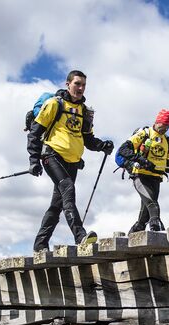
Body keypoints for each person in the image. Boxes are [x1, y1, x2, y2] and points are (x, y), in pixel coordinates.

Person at [27, 69, 114, 252]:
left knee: (57, 205)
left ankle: (40, 244)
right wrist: (34, 160)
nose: (80, 88)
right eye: (77, 84)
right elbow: (35, 133)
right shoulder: (54, 104)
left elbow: (88, 140)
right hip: (52, 155)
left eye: (83, 85)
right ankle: (80, 237)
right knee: (68, 188)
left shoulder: (84, 111)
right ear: (68, 84)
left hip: (72, 162)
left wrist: (102, 145)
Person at [115, 109, 169, 234]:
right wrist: (142, 160)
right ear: (157, 122)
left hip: (156, 179)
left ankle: (131, 238)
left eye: (167, 128)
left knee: (144, 218)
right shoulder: (145, 133)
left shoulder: (167, 140)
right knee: (153, 206)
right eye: (163, 126)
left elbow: (166, 164)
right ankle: (157, 231)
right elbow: (123, 150)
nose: (164, 130)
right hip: (141, 176)